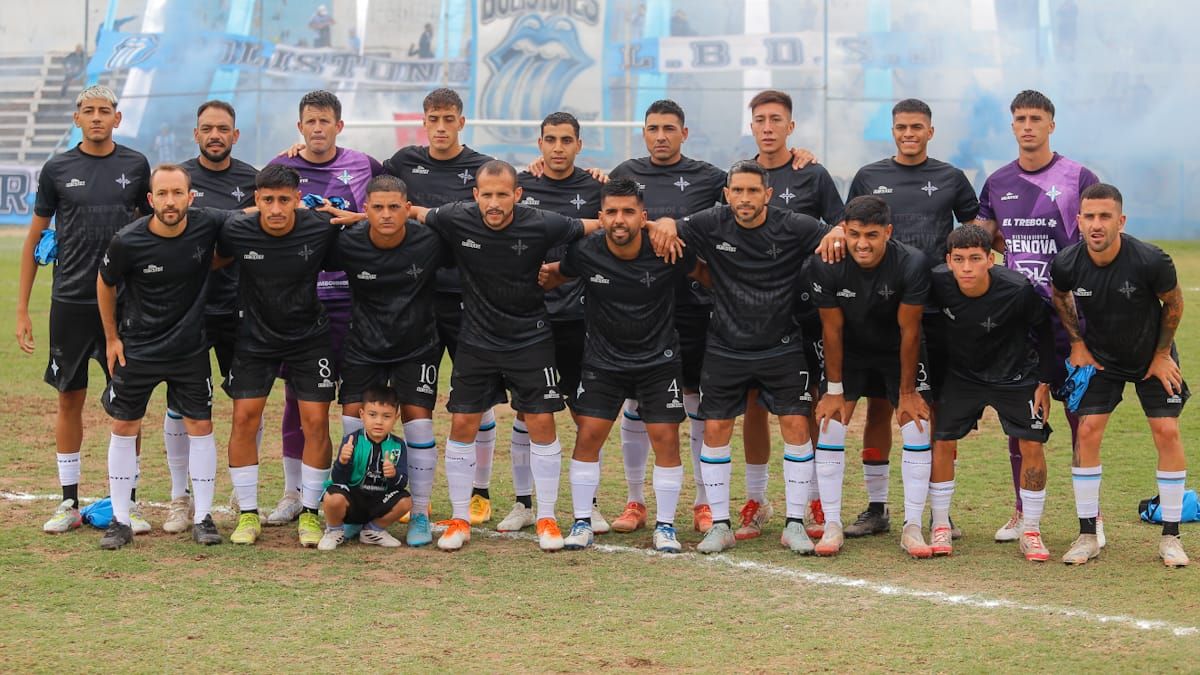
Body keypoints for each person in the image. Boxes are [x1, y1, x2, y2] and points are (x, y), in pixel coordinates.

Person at [413, 160, 639, 552]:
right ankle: (459, 518)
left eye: (503, 194)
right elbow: (412, 212)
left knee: (540, 420)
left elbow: (595, 225)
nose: (495, 202)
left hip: (530, 339)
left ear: (518, 195)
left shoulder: (541, 223)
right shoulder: (454, 218)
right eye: (488, 195)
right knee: (463, 422)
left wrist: (655, 225)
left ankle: (547, 517)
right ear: (475, 196)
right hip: (476, 341)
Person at [673, 161, 832, 555]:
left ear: (768, 194)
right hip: (725, 346)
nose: (744, 199)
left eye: (752, 191)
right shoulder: (710, 222)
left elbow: (838, 233)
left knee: (796, 425)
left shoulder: (793, 225)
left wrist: (840, 236)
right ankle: (720, 525)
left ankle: (794, 524)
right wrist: (663, 228)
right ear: (727, 195)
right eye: (737, 191)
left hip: (781, 345)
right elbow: (668, 229)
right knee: (715, 431)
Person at [841, 98, 979, 540]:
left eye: (917, 126)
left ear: (930, 131)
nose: (909, 134)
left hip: (936, 310)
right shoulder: (869, 176)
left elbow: (976, 232)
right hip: (877, 311)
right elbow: (849, 229)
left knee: (930, 410)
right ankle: (877, 507)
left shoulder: (951, 178)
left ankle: (940, 509)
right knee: (878, 408)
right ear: (893, 130)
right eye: (901, 126)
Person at [16, 85, 150, 535]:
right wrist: (22, 310)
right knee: (69, 397)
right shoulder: (57, 169)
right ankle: (69, 501)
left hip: (125, 303)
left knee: (127, 404)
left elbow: (154, 228)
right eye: (88, 111)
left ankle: (127, 502)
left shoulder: (136, 166)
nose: (96, 117)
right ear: (76, 119)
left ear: (118, 117)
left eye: (104, 111)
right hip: (70, 302)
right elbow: (34, 240)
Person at [541, 178, 694, 552]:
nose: (619, 219)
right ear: (601, 216)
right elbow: (556, 274)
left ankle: (666, 526)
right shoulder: (586, 250)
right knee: (589, 436)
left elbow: (706, 276)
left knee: (666, 440)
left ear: (644, 217)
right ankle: (581, 522)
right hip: (603, 361)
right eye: (611, 212)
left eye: (628, 211)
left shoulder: (667, 249)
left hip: (659, 361)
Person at [975, 89, 1101, 544]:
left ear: (1051, 124)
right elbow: (983, 234)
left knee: (1082, 419)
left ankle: (1093, 517)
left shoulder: (1076, 176)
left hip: (1071, 320)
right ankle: (1021, 511)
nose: (1027, 125)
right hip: (1020, 322)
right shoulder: (997, 182)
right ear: (1012, 126)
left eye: (1036, 118)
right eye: (1020, 118)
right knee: (1021, 421)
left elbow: (1096, 232)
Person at [1050, 183, 1190, 567]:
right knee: (1087, 430)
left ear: (1121, 221)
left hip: (1152, 356)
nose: (1097, 224)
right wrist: (1077, 343)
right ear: (1079, 221)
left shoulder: (1150, 260)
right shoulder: (1066, 262)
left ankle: (1172, 538)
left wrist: (1162, 354)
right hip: (1101, 358)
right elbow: (1059, 295)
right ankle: (1087, 534)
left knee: (1167, 431)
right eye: (1090, 216)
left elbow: (1174, 302)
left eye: (1105, 216)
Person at [381, 88, 498, 530]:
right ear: (424, 121)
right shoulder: (402, 163)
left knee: (478, 397)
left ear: (461, 122)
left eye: (449, 118)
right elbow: (374, 194)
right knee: (418, 400)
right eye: (434, 118)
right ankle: (414, 495)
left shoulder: (481, 167)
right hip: (419, 297)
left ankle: (480, 491)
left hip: (471, 297)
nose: (442, 126)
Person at [268, 90, 384, 527]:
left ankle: (355, 489)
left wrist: (356, 219)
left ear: (339, 125)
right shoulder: (283, 169)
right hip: (300, 303)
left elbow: (393, 204)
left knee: (355, 401)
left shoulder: (364, 166)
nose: (317, 129)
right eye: (310, 122)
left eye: (325, 121)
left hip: (355, 302)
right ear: (300, 127)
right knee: (298, 401)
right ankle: (294, 493)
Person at [95, 165, 225, 549]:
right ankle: (119, 520)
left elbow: (252, 217)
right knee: (124, 427)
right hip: (138, 348)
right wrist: (111, 338)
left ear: (190, 197)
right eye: (162, 194)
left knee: (200, 427)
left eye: (177, 193)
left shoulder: (206, 226)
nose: (170, 201)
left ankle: (203, 516)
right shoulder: (127, 241)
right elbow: (104, 284)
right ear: (151, 200)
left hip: (189, 349)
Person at [215, 165, 339, 548]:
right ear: (256, 200)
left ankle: (310, 513)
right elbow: (210, 254)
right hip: (254, 338)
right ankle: (249, 513)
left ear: (297, 200)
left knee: (315, 421)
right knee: (244, 418)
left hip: (309, 338)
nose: (276, 208)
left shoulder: (319, 228)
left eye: (284, 200)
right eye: (267, 200)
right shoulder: (236, 229)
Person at [808, 195, 933, 557]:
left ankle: (912, 526)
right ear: (843, 231)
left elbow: (910, 330)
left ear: (888, 232)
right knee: (831, 423)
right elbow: (830, 329)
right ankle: (831, 525)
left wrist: (908, 391)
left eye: (872, 235)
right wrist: (833, 390)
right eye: (854, 234)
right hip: (850, 351)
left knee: (916, 424)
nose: (862, 244)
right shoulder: (826, 264)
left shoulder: (912, 263)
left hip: (900, 351)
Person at [326, 175, 446, 547]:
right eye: (377, 207)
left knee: (419, 425)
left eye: (395, 207)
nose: (387, 214)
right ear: (365, 210)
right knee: (352, 425)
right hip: (364, 345)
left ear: (408, 209)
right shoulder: (348, 243)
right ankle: (351, 512)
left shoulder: (430, 241)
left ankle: (420, 514)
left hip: (417, 345)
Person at [925, 224, 1056, 561]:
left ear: (991, 259)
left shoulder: (1016, 289)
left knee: (1032, 442)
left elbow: (1044, 328)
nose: (966, 267)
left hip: (1014, 374)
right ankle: (940, 524)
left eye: (974, 258)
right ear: (948, 261)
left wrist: (1044, 381)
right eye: (959, 259)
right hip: (961, 376)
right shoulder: (937, 283)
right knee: (941, 441)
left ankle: (1031, 530)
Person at [746, 88, 844, 540]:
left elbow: (841, 227)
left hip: (806, 312)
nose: (767, 127)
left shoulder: (813, 174)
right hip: (752, 314)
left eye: (776, 120)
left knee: (810, 407)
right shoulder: (741, 177)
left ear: (790, 126)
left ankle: (815, 499)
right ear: (752, 126)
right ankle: (756, 498)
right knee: (752, 407)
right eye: (760, 120)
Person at [504, 111, 607, 535]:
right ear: (539, 143)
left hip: (584, 318)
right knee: (529, 411)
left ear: (579, 145)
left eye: (567, 140)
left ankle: (591, 502)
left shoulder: (596, 186)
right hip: (532, 318)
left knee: (587, 413)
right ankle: (523, 502)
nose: (558, 147)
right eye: (551, 140)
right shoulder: (523, 188)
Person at [160, 100, 258, 535]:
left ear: (235, 135)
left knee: (246, 403)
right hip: (189, 312)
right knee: (181, 407)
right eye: (207, 128)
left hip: (241, 309)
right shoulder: (176, 182)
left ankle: (242, 490)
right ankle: (180, 498)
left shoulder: (254, 180)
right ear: (195, 134)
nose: (215, 134)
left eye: (223, 128)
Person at [318, 385, 412, 551]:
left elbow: (401, 483)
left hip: (378, 502)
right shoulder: (352, 440)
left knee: (406, 501)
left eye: (386, 416)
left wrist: (393, 475)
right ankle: (334, 531)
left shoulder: (398, 445)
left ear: (396, 417)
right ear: (362, 414)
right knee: (332, 496)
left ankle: (372, 530)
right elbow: (339, 479)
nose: (379, 421)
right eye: (372, 415)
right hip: (353, 500)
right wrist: (342, 461)